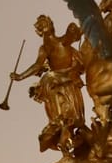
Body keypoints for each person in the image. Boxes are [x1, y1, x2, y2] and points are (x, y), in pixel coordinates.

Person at [12, 15, 87, 154]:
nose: (45, 27)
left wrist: (88, 21)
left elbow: (78, 32)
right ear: (39, 31)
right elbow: (37, 65)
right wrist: (20, 76)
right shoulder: (45, 48)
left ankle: (69, 137)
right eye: (41, 25)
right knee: (63, 114)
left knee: (72, 117)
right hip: (56, 83)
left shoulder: (62, 40)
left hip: (68, 79)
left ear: (52, 25)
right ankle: (60, 131)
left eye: (46, 23)